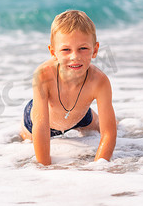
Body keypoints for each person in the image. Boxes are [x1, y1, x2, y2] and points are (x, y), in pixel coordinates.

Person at [20, 10, 117, 165]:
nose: (75, 56)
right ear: (53, 52)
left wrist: (99, 166)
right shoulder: (43, 75)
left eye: (83, 48)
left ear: (95, 50)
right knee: (26, 142)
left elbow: (108, 133)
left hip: (80, 114)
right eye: (66, 50)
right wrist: (45, 167)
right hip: (42, 121)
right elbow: (41, 127)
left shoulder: (100, 82)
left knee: (111, 125)